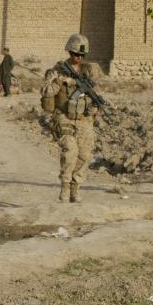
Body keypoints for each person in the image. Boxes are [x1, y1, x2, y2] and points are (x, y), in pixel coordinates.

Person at [40, 33, 104, 202]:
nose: (78, 57)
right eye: (76, 54)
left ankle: (75, 188)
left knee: (84, 155)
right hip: (64, 117)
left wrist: (94, 107)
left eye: (82, 55)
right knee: (70, 150)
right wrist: (60, 81)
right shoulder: (57, 71)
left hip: (84, 120)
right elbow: (46, 91)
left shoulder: (89, 72)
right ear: (69, 52)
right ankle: (65, 186)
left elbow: (96, 93)